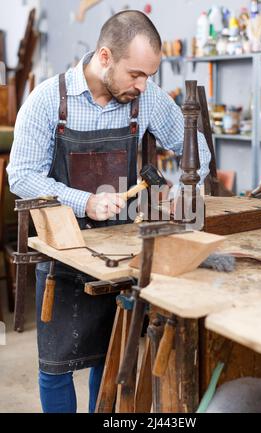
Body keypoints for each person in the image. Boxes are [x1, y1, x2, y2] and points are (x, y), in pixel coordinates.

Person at [7, 10, 211, 413]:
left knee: (111, 356)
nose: (143, 85)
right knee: (56, 365)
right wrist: (84, 201)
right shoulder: (49, 101)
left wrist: (186, 187)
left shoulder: (146, 97)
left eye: (149, 75)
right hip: (63, 248)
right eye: (135, 74)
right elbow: (21, 177)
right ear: (104, 57)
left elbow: (198, 152)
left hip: (120, 250)